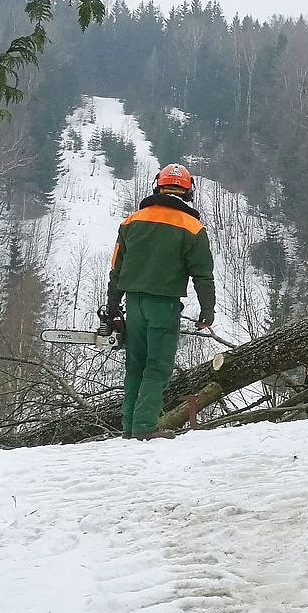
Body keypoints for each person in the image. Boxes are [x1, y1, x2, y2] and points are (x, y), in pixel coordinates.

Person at [100, 163, 216, 440]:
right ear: (188, 191)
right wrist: (207, 310)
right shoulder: (193, 228)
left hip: (134, 303)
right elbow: (202, 275)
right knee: (158, 366)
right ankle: (145, 426)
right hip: (163, 305)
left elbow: (117, 267)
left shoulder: (131, 221)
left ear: (158, 186)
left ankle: (129, 426)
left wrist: (112, 304)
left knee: (135, 365)